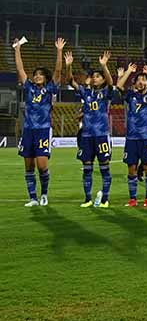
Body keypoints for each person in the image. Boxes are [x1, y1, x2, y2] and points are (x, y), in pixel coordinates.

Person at [14, 37, 64, 207]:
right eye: (35, 75)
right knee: (28, 166)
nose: (37, 76)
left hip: (43, 129)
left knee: (41, 165)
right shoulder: (28, 87)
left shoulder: (50, 88)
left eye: (40, 74)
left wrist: (59, 51)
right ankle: (33, 198)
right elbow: (20, 69)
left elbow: (58, 72)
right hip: (28, 130)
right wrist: (17, 49)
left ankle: (44, 195)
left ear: (45, 78)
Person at [67, 50, 115, 208]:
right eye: (93, 76)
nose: (95, 78)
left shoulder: (106, 93)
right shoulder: (86, 92)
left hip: (101, 135)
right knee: (87, 168)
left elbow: (110, 83)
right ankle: (87, 199)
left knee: (104, 168)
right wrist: (69, 66)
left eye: (98, 76)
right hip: (86, 136)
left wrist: (104, 66)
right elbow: (71, 81)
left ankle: (105, 199)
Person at [116, 63, 147, 207]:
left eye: (144, 80)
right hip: (132, 138)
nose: (141, 82)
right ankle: (133, 199)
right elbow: (118, 86)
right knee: (132, 168)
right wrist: (129, 71)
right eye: (139, 80)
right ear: (135, 83)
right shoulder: (130, 96)